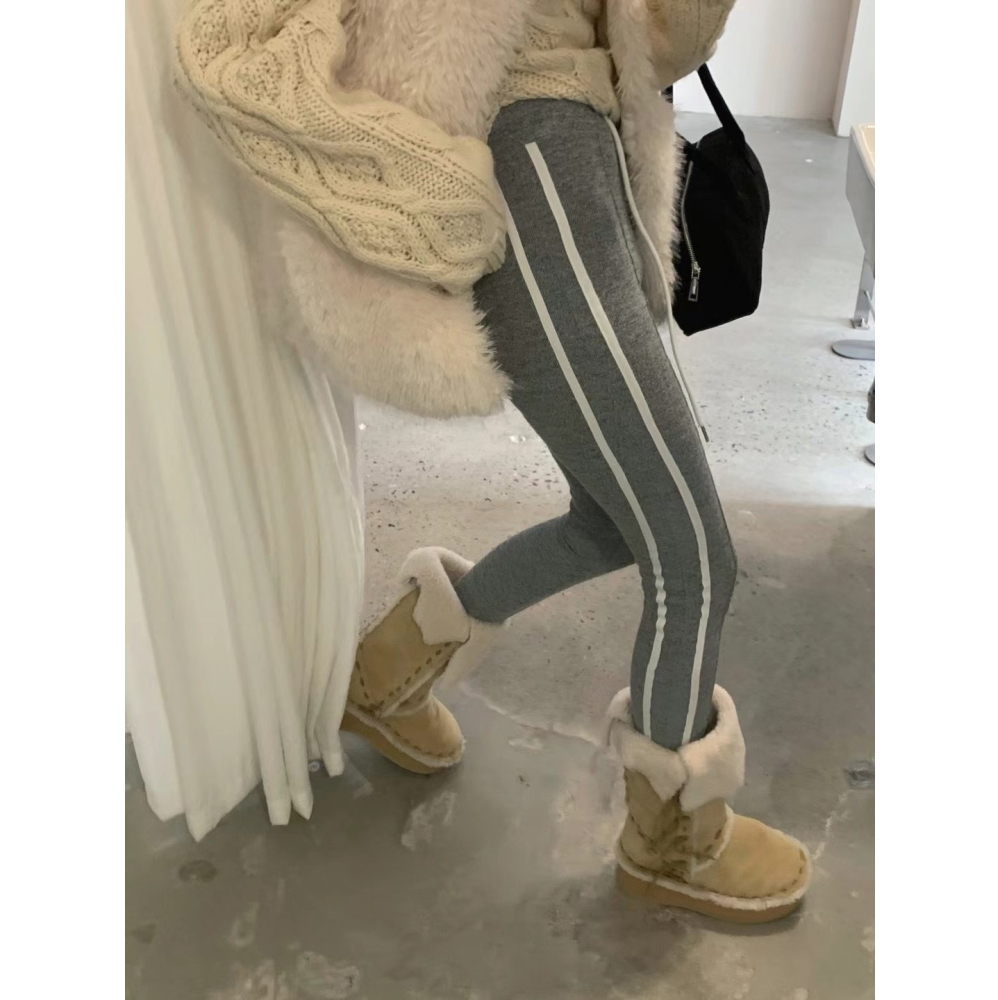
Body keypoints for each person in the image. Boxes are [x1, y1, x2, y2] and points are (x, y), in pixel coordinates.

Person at [176, 0, 809, 923]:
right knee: (693, 554)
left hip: (593, 159)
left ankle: (389, 673)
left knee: (613, 521)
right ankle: (673, 839)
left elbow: (659, 43)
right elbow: (225, 45)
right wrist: (408, 168)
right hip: (525, 163)